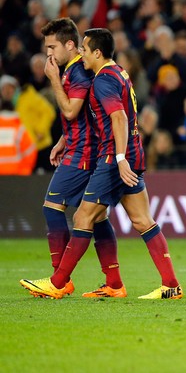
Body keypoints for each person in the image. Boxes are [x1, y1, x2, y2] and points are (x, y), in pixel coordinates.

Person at [20, 28, 182, 300]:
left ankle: (58, 283)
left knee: (84, 217)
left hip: (113, 158)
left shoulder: (102, 81)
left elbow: (118, 118)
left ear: (97, 52)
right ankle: (169, 285)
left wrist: (118, 159)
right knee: (143, 220)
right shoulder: (119, 72)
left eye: (84, 49)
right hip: (132, 153)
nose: (81, 53)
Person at [38, 18, 125, 298]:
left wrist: (53, 80)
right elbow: (86, 114)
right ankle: (113, 282)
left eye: (53, 46)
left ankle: (58, 278)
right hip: (80, 147)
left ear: (70, 44)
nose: (49, 53)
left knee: (53, 206)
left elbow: (72, 111)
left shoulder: (78, 72)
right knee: (97, 217)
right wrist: (63, 140)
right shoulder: (75, 70)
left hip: (85, 153)